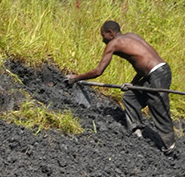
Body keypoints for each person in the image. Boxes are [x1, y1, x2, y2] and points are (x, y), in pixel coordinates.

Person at [65, 20, 178, 156]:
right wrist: (132, 84)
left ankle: (170, 146)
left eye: (103, 36)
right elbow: (143, 64)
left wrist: (76, 78)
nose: (102, 40)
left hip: (158, 74)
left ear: (110, 33)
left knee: (157, 105)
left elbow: (98, 71)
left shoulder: (114, 43)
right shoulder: (132, 36)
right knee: (130, 97)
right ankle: (136, 131)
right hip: (157, 72)